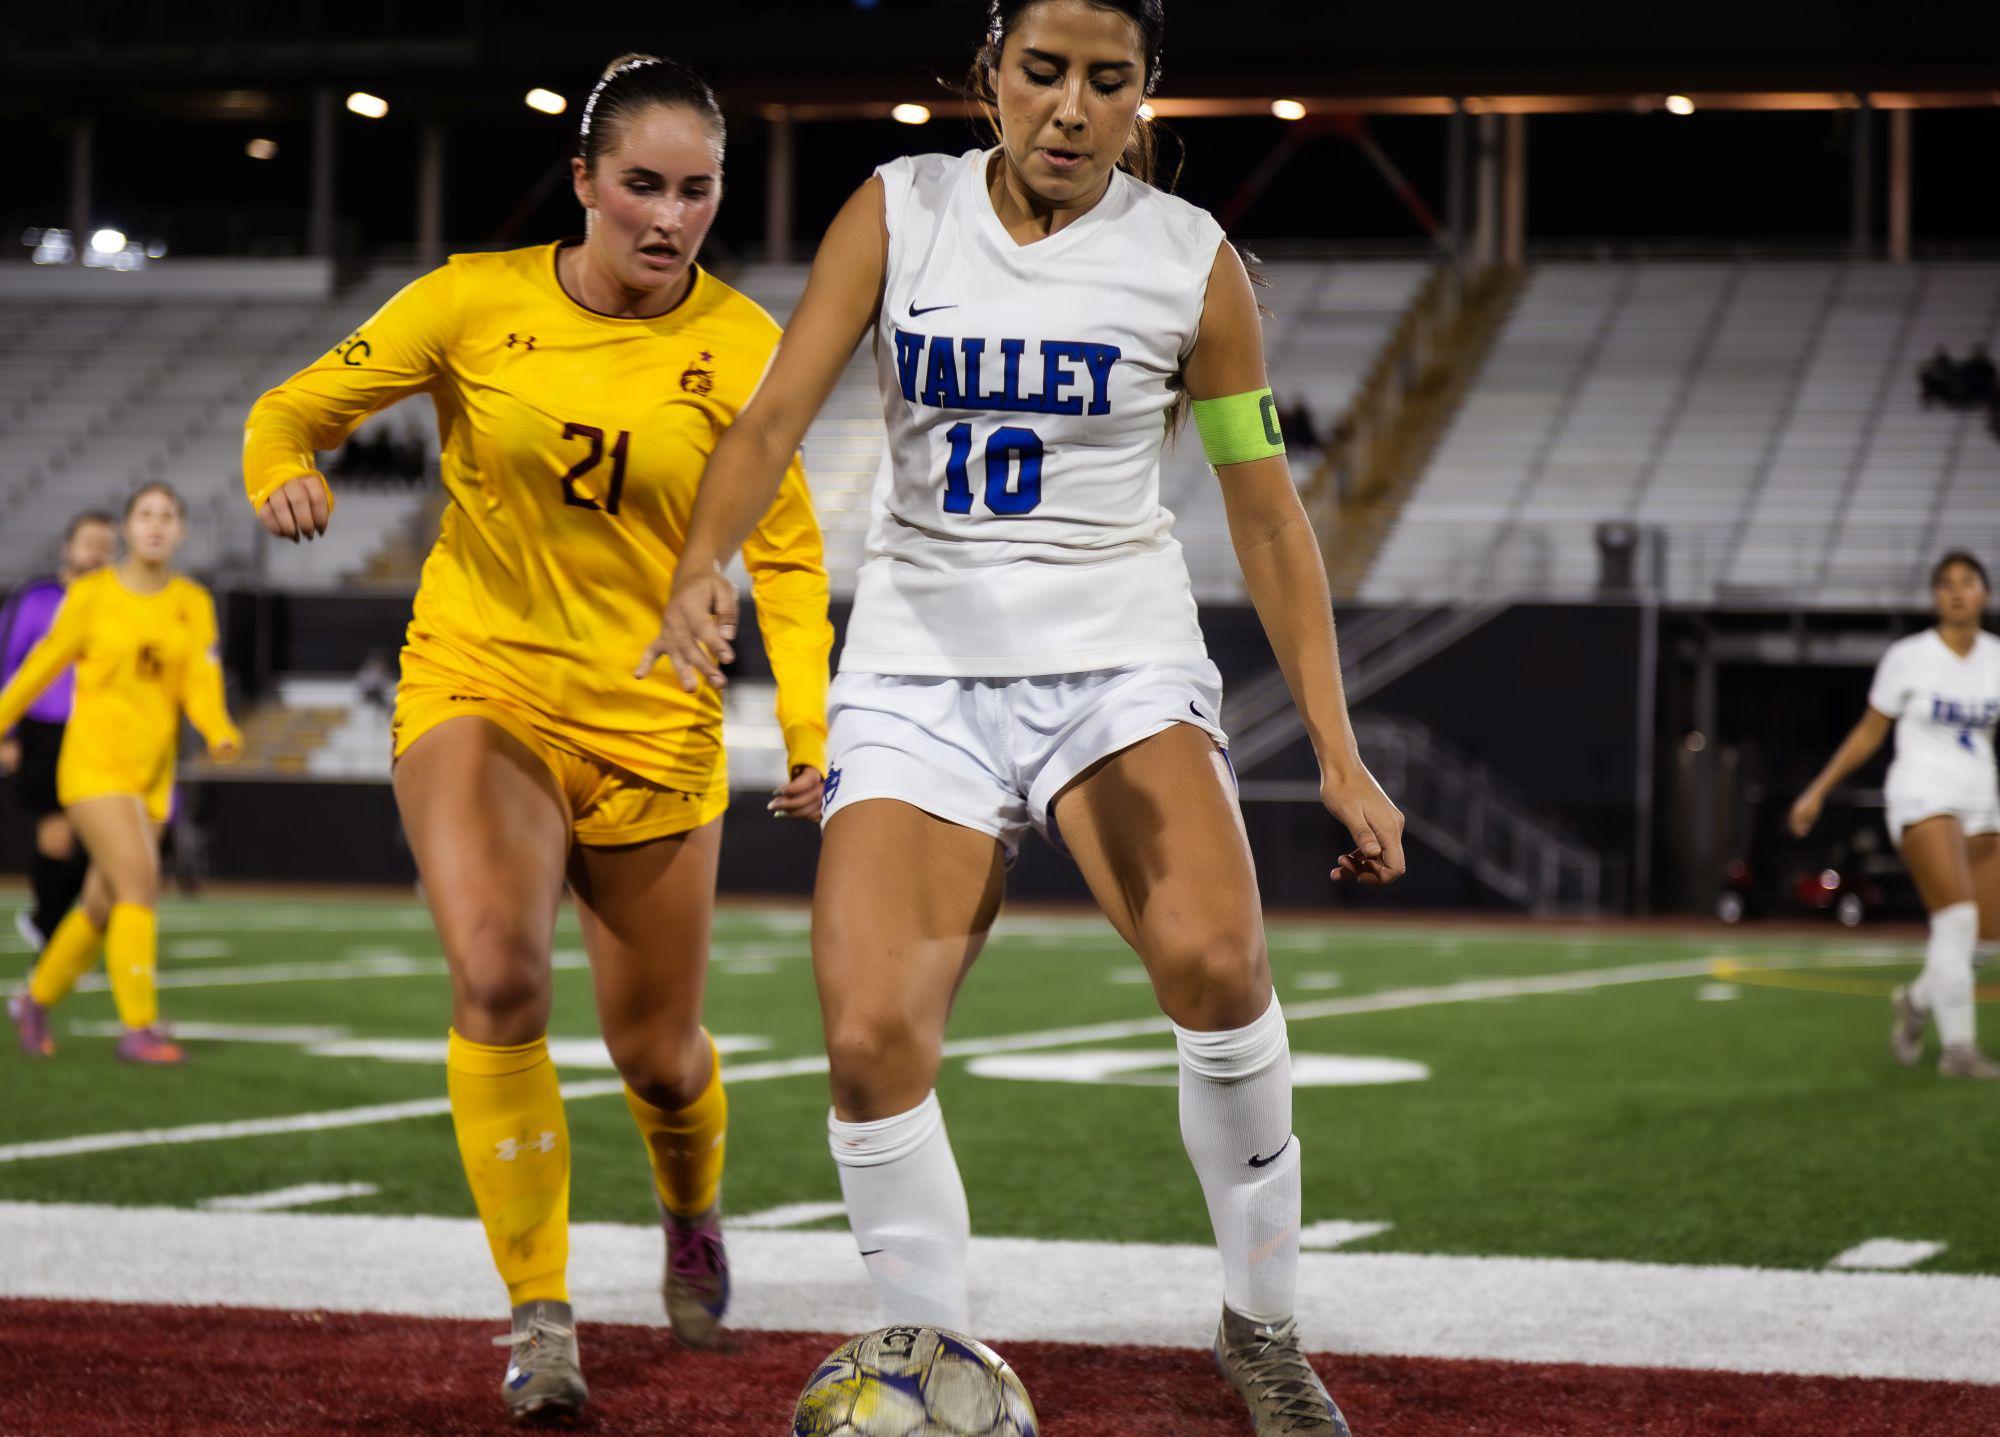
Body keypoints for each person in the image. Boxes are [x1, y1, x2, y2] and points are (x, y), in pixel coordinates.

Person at [642, 4, 1402, 1432]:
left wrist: (1343, 754)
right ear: (989, 74)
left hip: (1116, 662)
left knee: (1219, 963)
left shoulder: (1195, 268)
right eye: (1041, 74)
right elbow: (770, 417)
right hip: (922, 665)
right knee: (869, 1041)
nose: (1068, 109)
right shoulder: (897, 210)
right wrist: (699, 569)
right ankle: (929, 1366)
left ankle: (1263, 1324)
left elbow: (1266, 514)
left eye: (1106, 83)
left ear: (1147, 98)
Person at [242, 53, 832, 1422]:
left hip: (655, 724)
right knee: (500, 975)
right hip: (480, 682)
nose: (667, 217)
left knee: (660, 1055)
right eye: (640, 185)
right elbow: (290, 409)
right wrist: (282, 467)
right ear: (582, 180)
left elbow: (789, 560)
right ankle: (540, 1311)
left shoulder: (749, 345)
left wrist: (806, 725)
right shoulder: (469, 299)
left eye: (696, 190)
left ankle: (691, 1212)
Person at [2, 484, 240, 1067]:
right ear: (127, 530)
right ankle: (139, 1027)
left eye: (167, 516)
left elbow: (200, 682)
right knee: (139, 881)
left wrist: (218, 729)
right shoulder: (90, 595)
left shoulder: (192, 601)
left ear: (181, 531)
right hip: (93, 767)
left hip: (152, 777)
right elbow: (40, 669)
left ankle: (33, 1000)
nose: (156, 525)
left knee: (102, 903)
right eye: (145, 515)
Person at [1790, 550, 2000, 1079]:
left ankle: (1915, 1002)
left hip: (1981, 798)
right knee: (1957, 919)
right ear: (1934, 597)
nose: (1956, 591)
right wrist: (1817, 790)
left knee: (1988, 940)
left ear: (1985, 594)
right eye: (1945, 583)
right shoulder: (1909, 656)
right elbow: (1869, 732)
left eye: (1968, 582)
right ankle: (1959, 1051)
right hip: (1921, 794)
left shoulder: (1997, 657)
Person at [0, 509, 118, 951]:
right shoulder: (36, 597)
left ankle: (56, 926)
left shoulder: (117, 599)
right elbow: (8, 660)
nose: (97, 552)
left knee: (99, 838)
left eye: (106, 545)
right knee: (57, 833)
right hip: (44, 731)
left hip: (100, 731)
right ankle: (49, 926)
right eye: (89, 542)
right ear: (68, 546)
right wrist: (7, 733)